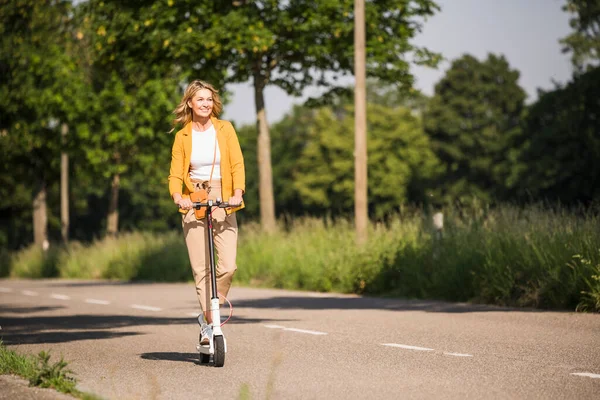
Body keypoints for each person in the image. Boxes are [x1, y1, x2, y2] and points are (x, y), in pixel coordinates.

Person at [168, 80, 245, 345]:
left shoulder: (225, 129)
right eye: (200, 99)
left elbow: (236, 163)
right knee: (201, 269)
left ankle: (207, 315)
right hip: (194, 199)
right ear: (190, 102)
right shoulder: (182, 136)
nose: (205, 104)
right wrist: (179, 197)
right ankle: (210, 324)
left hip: (223, 197)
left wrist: (237, 192)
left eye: (209, 99)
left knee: (228, 266)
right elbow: (176, 174)